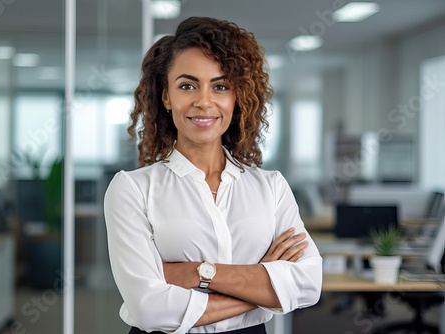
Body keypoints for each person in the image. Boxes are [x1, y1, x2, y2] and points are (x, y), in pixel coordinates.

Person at [104, 16, 323, 334]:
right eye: (187, 85)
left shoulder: (271, 187)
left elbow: (307, 284)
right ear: (167, 96)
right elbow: (149, 309)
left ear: (237, 97)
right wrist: (266, 282)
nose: (204, 101)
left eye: (220, 86)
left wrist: (198, 272)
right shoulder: (132, 189)